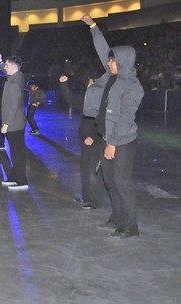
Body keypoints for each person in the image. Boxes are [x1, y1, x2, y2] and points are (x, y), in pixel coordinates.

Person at [81, 15, 143, 238]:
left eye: (113, 61)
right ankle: (117, 218)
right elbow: (103, 50)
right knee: (110, 181)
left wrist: (113, 144)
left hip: (122, 140)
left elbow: (126, 119)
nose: (109, 63)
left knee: (122, 182)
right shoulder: (111, 77)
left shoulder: (132, 86)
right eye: (110, 61)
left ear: (124, 62)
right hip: (107, 136)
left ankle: (131, 226)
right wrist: (93, 27)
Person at [59, 75, 107, 210]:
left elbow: (104, 122)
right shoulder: (87, 99)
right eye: (90, 82)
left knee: (93, 171)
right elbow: (71, 99)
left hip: (95, 141)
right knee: (85, 169)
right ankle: (87, 197)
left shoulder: (101, 102)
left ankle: (94, 200)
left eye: (92, 82)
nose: (89, 84)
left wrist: (95, 136)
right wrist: (64, 85)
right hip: (86, 141)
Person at [0, 53, 29, 190]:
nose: (5, 67)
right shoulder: (17, 77)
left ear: (14, 67)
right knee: (16, 152)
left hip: (14, 124)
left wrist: (6, 124)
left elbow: (12, 106)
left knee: (17, 153)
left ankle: (21, 181)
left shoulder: (14, 83)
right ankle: (14, 177)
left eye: (7, 65)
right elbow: (4, 69)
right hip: (17, 123)